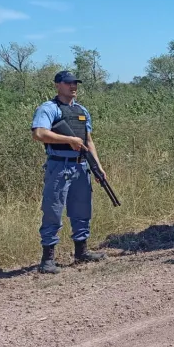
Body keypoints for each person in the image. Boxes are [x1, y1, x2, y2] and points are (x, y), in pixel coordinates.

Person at [30, 70, 108, 274]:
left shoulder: (82, 110)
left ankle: (81, 252)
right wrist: (69, 140)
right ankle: (47, 259)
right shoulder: (49, 108)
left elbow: (88, 140)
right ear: (58, 85)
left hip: (81, 165)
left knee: (82, 209)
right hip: (59, 165)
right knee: (53, 210)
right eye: (68, 83)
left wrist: (97, 166)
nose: (73, 86)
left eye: (75, 83)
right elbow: (39, 133)